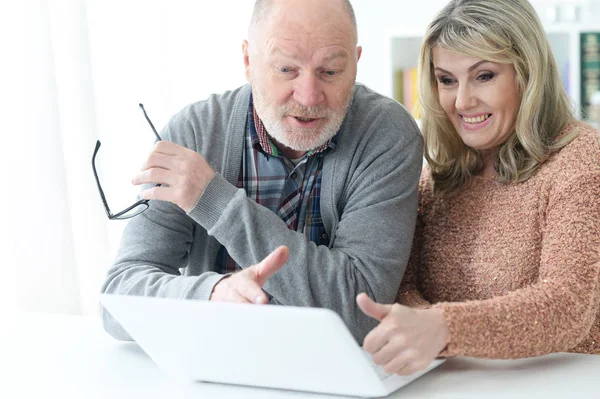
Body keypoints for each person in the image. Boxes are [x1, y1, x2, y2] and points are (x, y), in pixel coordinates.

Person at [100, 0, 423, 343]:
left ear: (356, 64)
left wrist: (213, 200)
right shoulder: (193, 133)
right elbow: (118, 301)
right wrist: (210, 296)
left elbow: (364, 311)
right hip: (215, 368)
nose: (310, 96)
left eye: (330, 71)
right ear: (248, 60)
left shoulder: (387, 136)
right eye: (286, 69)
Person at [357, 0, 600, 376]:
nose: (462, 101)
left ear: (527, 73)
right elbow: (402, 289)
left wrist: (442, 328)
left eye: (484, 75)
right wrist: (420, 328)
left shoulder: (581, 159)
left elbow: (569, 306)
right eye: (447, 80)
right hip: (453, 385)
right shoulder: (434, 180)